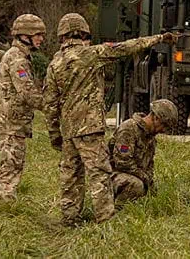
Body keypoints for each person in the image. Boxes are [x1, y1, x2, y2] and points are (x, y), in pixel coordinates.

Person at [43, 13, 177, 226]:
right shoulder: (92, 54)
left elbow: (49, 104)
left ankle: (69, 218)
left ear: (62, 36)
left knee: (70, 175)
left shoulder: (54, 65)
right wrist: (158, 39)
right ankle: (105, 220)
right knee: (99, 174)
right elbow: (127, 47)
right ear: (84, 33)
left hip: (68, 130)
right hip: (90, 128)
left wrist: (54, 134)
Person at [0, 14, 46, 202]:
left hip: (9, 122)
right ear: (25, 35)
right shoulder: (17, 59)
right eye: (38, 34)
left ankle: (4, 204)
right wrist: (51, 107)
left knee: (11, 165)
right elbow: (27, 92)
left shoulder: (17, 56)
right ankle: (4, 206)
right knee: (10, 167)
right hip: (11, 124)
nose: (41, 38)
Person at [112, 99, 178, 203]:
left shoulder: (150, 136)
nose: (164, 130)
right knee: (136, 186)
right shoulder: (128, 129)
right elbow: (122, 162)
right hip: (114, 175)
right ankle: (116, 211)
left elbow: (149, 163)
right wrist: (144, 178)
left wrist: (149, 181)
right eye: (164, 125)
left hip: (134, 175)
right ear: (156, 118)